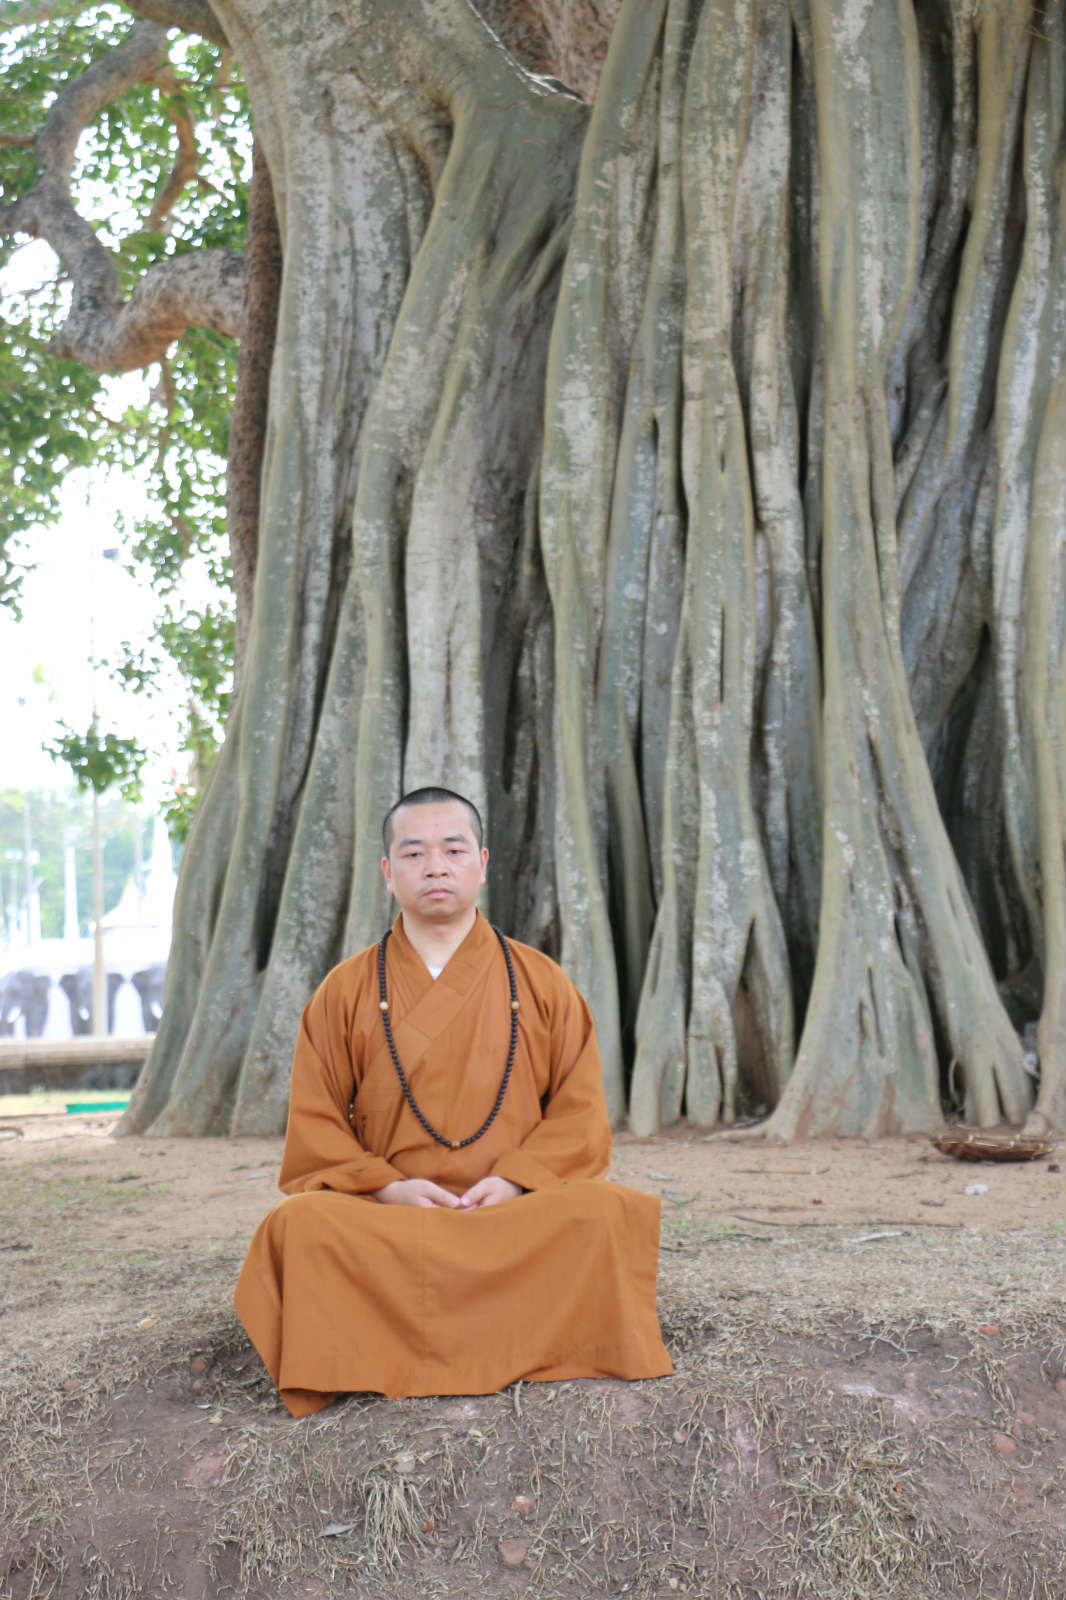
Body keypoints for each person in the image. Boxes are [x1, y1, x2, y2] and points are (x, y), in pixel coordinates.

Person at [234, 787, 673, 1416]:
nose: (435, 866)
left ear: (483, 862)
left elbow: (579, 1115)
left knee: (603, 1212)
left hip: (511, 1216)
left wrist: (518, 1182)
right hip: (393, 1219)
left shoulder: (541, 981)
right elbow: (318, 1124)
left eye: (453, 849)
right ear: (388, 874)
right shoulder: (345, 991)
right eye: (413, 853)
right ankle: (499, 1338)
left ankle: (414, 1345)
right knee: (299, 1227)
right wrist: (387, 1189)